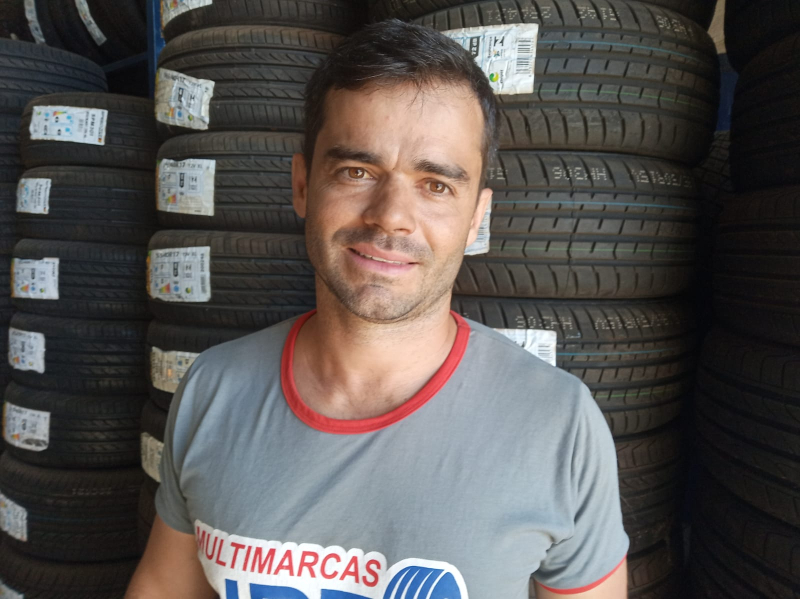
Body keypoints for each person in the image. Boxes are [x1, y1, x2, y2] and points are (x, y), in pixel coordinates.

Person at [125, 19, 629, 599]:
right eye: (356, 172)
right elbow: (163, 587)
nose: (390, 215)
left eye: (436, 184)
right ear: (302, 186)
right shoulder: (212, 389)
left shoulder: (558, 424)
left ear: (477, 218)